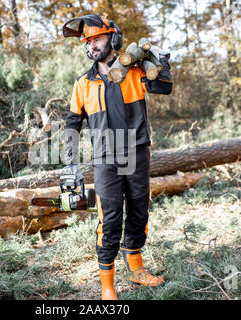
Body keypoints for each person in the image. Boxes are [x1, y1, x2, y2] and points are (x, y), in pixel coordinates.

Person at [62, 14, 173, 300]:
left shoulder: (134, 71)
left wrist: (162, 61)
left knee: (138, 212)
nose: (92, 45)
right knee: (109, 219)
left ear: (113, 39)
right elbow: (72, 124)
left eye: (97, 39)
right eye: (88, 41)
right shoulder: (83, 84)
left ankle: (137, 271)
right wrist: (70, 162)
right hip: (105, 158)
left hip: (136, 150)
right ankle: (107, 286)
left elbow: (163, 87)